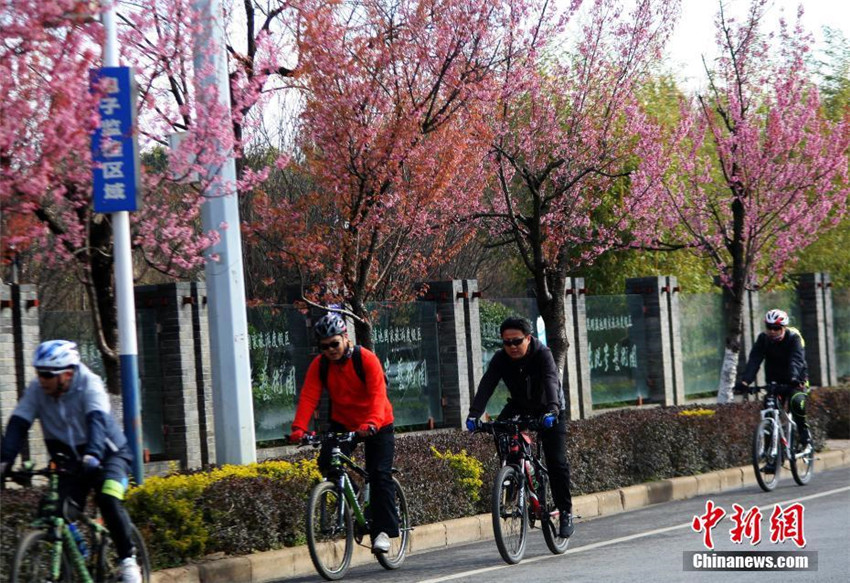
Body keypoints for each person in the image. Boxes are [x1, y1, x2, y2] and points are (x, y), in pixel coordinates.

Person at [0, 340, 142, 583]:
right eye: (38, 373)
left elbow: (97, 421)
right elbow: (18, 424)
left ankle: (128, 560)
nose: (41, 379)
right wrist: (4, 462)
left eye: (47, 374)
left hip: (109, 455)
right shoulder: (38, 390)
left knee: (108, 498)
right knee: (54, 513)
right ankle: (72, 563)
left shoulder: (90, 385)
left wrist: (93, 454)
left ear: (67, 373)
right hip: (71, 463)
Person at [289, 313, 399, 553]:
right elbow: (309, 396)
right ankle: (353, 494)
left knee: (379, 475)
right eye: (324, 346)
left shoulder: (366, 359)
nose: (330, 350)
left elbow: (378, 395)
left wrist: (371, 423)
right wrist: (299, 428)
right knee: (327, 461)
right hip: (343, 423)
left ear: (346, 338)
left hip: (377, 423)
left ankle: (382, 532)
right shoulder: (320, 365)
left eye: (334, 344)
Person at [466, 316, 574, 539]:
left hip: (548, 407)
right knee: (500, 431)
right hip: (520, 405)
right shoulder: (500, 359)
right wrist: (474, 414)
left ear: (528, 338)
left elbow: (552, 381)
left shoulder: (542, 354)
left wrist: (553, 410)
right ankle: (513, 475)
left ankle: (565, 511)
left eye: (517, 341)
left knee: (557, 461)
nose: (512, 347)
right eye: (507, 343)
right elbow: (487, 384)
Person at [738, 309, 811, 455]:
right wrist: (745, 381)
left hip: (796, 380)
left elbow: (796, 359)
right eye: (769, 327)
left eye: (776, 328)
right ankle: (772, 453)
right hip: (774, 381)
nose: (772, 331)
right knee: (769, 411)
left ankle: (805, 438)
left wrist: (794, 378)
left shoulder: (793, 338)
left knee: (796, 403)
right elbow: (754, 360)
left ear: (784, 327)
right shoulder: (763, 339)